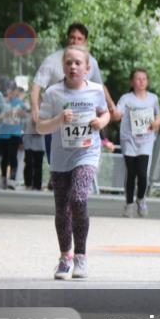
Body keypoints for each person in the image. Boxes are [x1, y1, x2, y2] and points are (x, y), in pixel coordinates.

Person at [37, 45, 110, 280]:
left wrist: (101, 121)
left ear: (87, 68)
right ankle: (65, 257)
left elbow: (105, 112)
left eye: (78, 63)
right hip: (60, 157)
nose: (73, 66)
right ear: (63, 66)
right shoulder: (53, 93)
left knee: (78, 198)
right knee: (61, 209)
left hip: (87, 153)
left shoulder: (96, 90)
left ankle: (80, 255)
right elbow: (40, 126)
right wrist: (59, 119)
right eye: (68, 62)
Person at [30, 23, 115, 150]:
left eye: (79, 38)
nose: (75, 41)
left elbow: (100, 86)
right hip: (56, 119)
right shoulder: (52, 60)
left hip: (83, 122)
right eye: (72, 37)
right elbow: (37, 85)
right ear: (67, 38)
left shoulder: (91, 62)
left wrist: (112, 105)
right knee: (56, 163)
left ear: (85, 41)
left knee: (83, 163)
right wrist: (35, 108)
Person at [113, 68, 160, 218]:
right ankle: (129, 204)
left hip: (146, 140)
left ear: (147, 81)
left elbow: (158, 114)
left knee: (142, 173)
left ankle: (140, 199)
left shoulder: (153, 98)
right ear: (132, 82)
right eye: (138, 78)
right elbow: (118, 112)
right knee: (131, 173)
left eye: (144, 78)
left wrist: (156, 122)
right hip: (129, 139)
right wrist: (115, 113)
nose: (141, 81)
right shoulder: (126, 98)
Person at [0, 84, 26, 189]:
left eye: (11, 90)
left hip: (15, 133)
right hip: (3, 133)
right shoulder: (2, 102)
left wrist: (22, 113)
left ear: (15, 92)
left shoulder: (20, 103)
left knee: (12, 156)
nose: (9, 92)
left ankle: (13, 179)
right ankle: (4, 178)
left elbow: (25, 116)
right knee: (4, 157)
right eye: (8, 90)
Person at [22, 112, 45, 191]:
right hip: (28, 144)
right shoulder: (27, 117)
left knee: (38, 166)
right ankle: (28, 184)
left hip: (40, 145)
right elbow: (23, 129)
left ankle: (37, 185)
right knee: (28, 164)